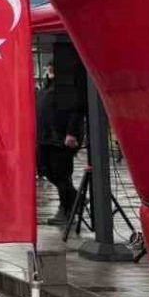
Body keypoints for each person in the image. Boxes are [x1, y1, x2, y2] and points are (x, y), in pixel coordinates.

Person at [37, 72, 84, 226]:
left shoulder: (67, 87)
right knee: (44, 169)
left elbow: (75, 111)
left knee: (61, 174)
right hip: (45, 137)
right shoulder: (46, 86)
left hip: (60, 138)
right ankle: (76, 198)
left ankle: (66, 209)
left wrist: (72, 133)